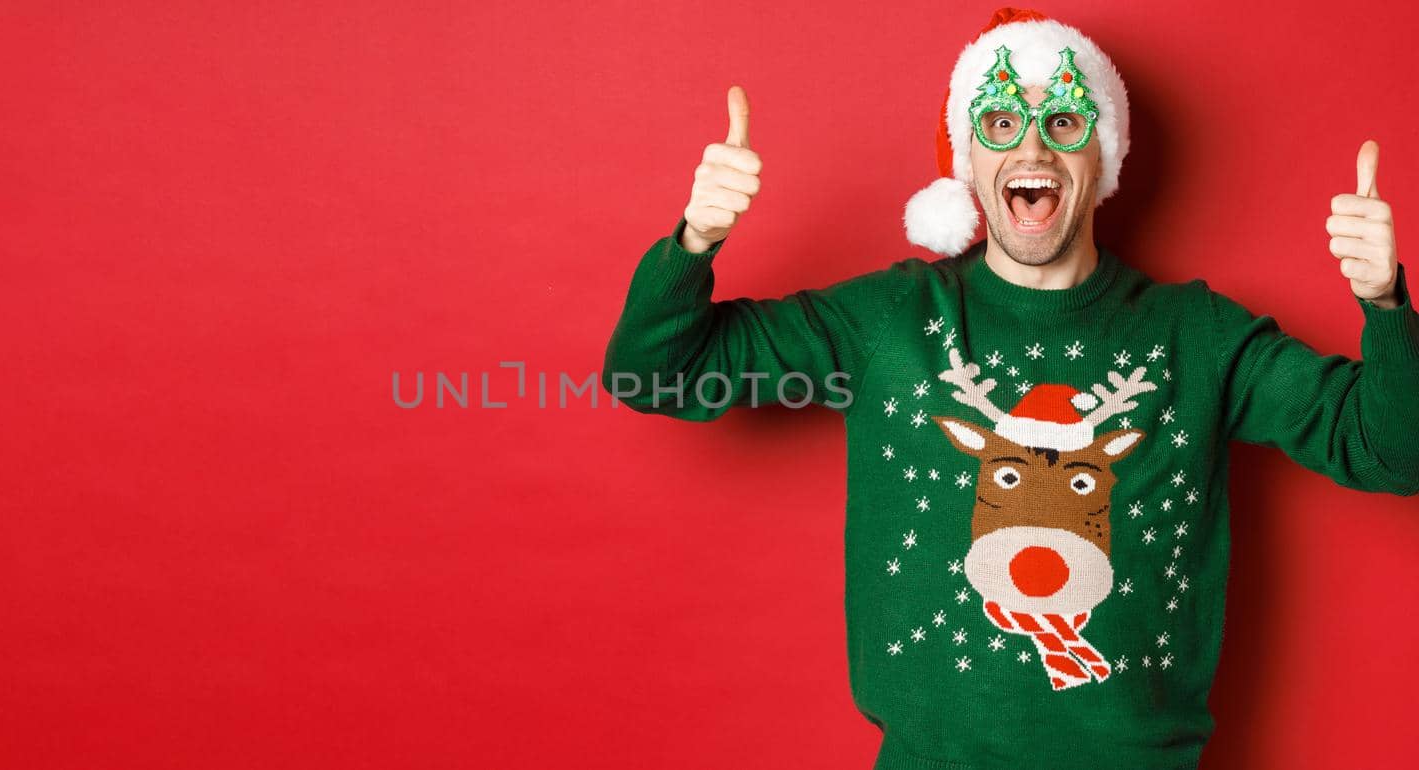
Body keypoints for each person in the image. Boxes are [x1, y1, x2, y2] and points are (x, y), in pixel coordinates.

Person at [601, 7, 1416, 769]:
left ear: (1104, 156)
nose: (1032, 151)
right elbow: (657, 375)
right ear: (968, 160)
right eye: (1000, 124)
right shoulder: (887, 321)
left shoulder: (1196, 335)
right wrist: (695, 241)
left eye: (1064, 122)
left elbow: (1391, 453)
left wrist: (1386, 306)